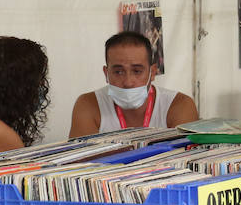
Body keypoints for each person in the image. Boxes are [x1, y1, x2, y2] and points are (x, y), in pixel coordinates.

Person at [69, 32, 198, 137]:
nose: (128, 82)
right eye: (118, 72)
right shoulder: (88, 105)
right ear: (106, 73)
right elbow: (82, 163)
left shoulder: (179, 105)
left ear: (152, 72)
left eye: (137, 71)